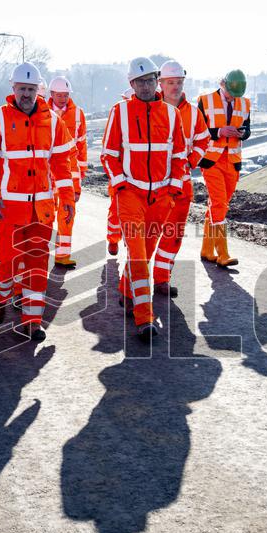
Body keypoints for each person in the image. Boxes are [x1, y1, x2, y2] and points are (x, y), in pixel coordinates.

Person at [0, 62, 74, 341]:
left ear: (38, 90)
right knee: (7, 262)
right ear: (13, 88)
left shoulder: (54, 121)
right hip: (9, 207)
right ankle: (0, 298)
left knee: (37, 263)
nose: (27, 94)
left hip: (42, 209)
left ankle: (33, 319)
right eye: (22, 89)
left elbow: (61, 163)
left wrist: (67, 197)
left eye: (31, 89)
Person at [100, 57, 187, 341]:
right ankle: (144, 319)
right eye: (140, 81)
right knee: (138, 256)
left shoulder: (172, 115)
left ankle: (127, 291)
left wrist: (173, 190)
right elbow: (109, 155)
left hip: (161, 197)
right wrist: (121, 185)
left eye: (150, 79)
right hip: (131, 196)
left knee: (145, 255)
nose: (146, 85)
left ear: (157, 81)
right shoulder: (120, 112)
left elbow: (178, 156)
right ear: (131, 84)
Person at [152, 60, 210, 297]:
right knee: (145, 235)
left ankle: (161, 279)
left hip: (181, 184)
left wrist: (189, 161)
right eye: (170, 82)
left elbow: (203, 140)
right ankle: (134, 282)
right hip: (152, 184)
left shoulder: (193, 113)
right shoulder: (150, 109)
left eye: (179, 82)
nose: (175, 87)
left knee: (173, 234)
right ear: (161, 84)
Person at [196, 69, 250, 267]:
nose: (232, 98)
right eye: (229, 93)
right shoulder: (205, 100)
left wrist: (241, 133)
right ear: (222, 83)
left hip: (233, 161)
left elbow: (248, 129)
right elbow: (198, 130)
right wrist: (219, 131)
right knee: (219, 204)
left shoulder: (245, 103)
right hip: (211, 160)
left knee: (219, 205)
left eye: (235, 95)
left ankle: (206, 250)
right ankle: (223, 254)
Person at [47, 76, 87, 267]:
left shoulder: (78, 114)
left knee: (66, 213)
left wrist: (81, 174)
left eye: (65, 95)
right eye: (59, 95)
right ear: (52, 94)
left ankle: (62, 256)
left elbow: (82, 145)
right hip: (46, 173)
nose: (62, 98)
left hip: (69, 173)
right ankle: (38, 257)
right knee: (45, 215)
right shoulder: (42, 112)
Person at [105, 88, 135, 255]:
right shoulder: (118, 118)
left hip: (138, 178)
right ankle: (113, 239)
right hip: (119, 176)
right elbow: (109, 151)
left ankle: (131, 243)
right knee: (116, 211)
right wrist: (117, 177)